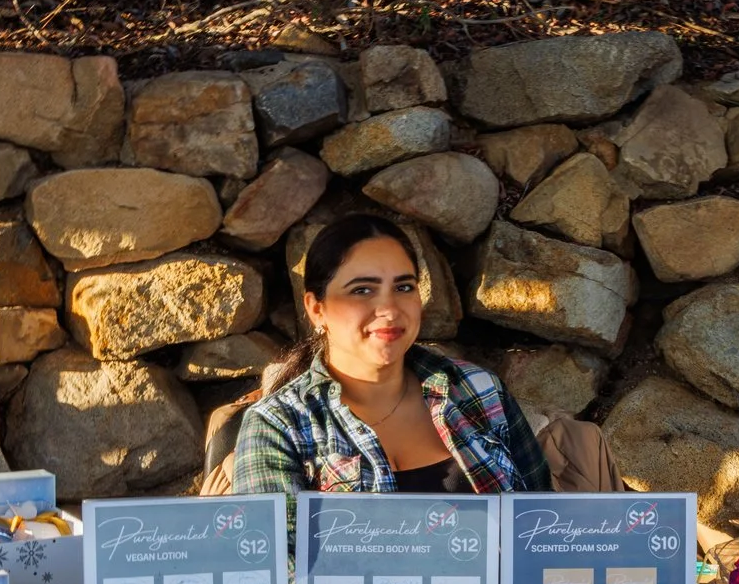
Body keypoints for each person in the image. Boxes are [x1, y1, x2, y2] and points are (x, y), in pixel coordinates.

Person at [228, 213, 551, 499]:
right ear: (317, 309)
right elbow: (277, 561)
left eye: (404, 287)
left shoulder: (479, 390)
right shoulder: (279, 425)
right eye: (362, 290)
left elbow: (541, 524)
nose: (389, 309)